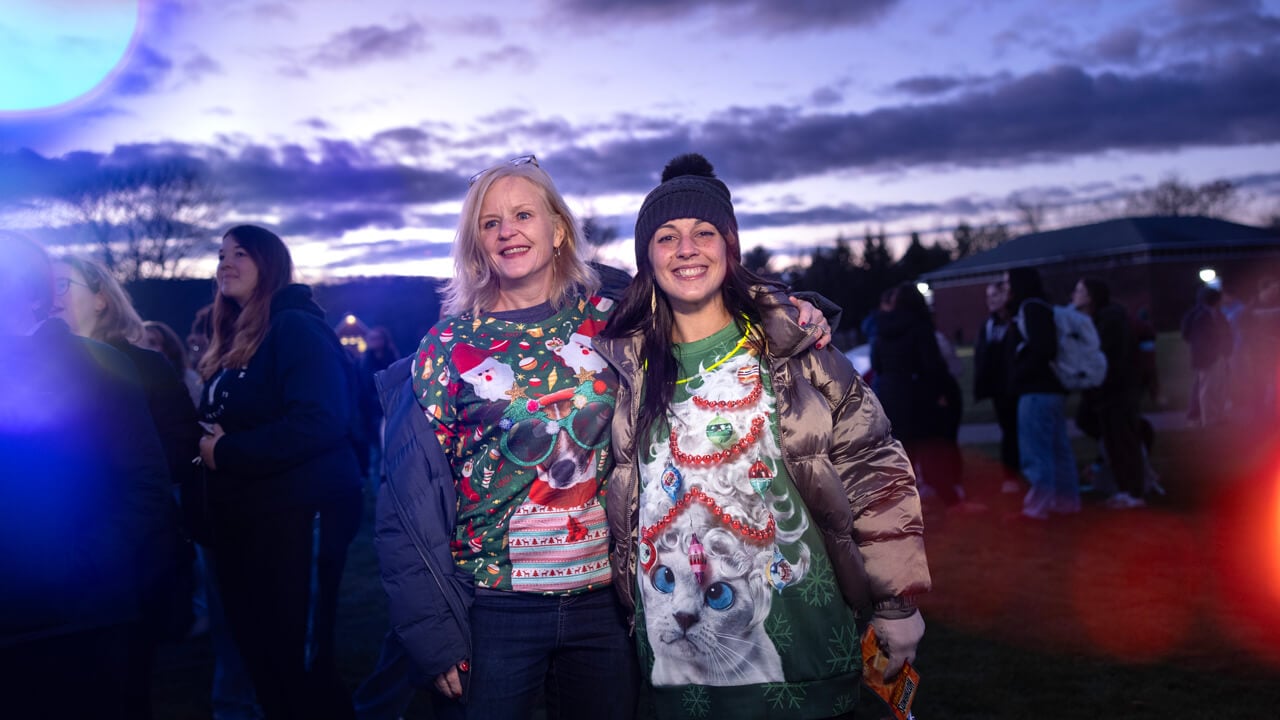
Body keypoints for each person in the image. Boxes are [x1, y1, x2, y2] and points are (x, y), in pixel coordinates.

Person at [380, 154, 836, 720]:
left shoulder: (614, 314)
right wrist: (431, 630)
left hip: (605, 604)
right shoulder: (446, 347)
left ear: (558, 228)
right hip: (493, 608)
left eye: (523, 214)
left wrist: (795, 309)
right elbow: (405, 501)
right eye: (489, 223)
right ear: (475, 243)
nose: (507, 232)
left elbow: (708, 292)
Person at [596, 154, 930, 718]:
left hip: (802, 655)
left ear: (730, 247)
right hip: (676, 670)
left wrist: (897, 603)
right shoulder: (624, 367)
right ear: (646, 258)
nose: (686, 249)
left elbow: (873, 466)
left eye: (705, 233)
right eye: (666, 237)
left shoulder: (796, 352)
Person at [0, 234, 174, 719]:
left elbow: (146, 484)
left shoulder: (99, 366)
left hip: (81, 618)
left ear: (34, 294)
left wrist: (82, 564)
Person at [195, 224, 363, 719]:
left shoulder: (295, 326)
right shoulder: (240, 334)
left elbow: (322, 420)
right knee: (262, 657)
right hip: (247, 519)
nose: (224, 263)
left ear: (269, 263)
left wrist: (226, 452)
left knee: (298, 662)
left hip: (298, 514)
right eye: (221, 254)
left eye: (240, 253)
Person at [50, 256, 199, 717]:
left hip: (128, 556)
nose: (50, 295)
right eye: (42, 286)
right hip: (48, 563)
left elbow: (177, 452)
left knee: (123, 688)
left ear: (100, 297)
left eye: (61, 284)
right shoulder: (32, 368)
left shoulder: (145, 367)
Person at [873, 281, 979, 512]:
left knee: (903, 454)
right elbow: (932, 365)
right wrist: (940, 394)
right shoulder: (920, 327)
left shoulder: (882, 328)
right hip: (917, 396)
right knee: (932, 450)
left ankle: (903, 506)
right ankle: (951, 499)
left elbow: (877, 364)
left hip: (891, 395)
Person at [1005, 266, 1081, 520]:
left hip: (1036, 390)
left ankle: (1037, 506)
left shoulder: (1030, 308)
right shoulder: (1043, 307)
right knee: (1058, 449)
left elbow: (1043, 348)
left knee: (1037, 451)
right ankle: (1066, 501)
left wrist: (1019, 371)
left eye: (1008, 283)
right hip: (1052, 389)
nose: (1006, 288)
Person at [1071, 278, 1147, 509]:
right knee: (1112, 440)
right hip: (1107, 392)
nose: (1074, 295)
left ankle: (1133, 492)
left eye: (1079, 290)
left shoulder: (1110, 320)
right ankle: (1124, 488)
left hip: (1116, 392)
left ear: (1091, 296)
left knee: (1122, 441)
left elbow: (1105, 356)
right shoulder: (1096, 320)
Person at [973, 280, 1021, 493]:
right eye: (988, 296)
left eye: (996, 295)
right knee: (1008, 430)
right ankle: (1011, 475)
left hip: (1017, 385)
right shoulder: (988, 325)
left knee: (1019, 431)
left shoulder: (1017, 322)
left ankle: (1021, 474)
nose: (990, 301)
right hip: (998, 388)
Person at [1180, 285, 1230, 426]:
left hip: (1216, 355)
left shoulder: (1214, 314)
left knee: (1218, 387)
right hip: (1208, 357)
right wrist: (1209, 351)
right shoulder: (1201, 315)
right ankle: (1209, 418)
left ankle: (1217, 415)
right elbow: (1195, 335)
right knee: (1207, 388)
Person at [143, 319, 204, 407]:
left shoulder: (189, 378)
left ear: (168, 347)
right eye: (142, 343)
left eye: (152, 343)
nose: (145, 348)